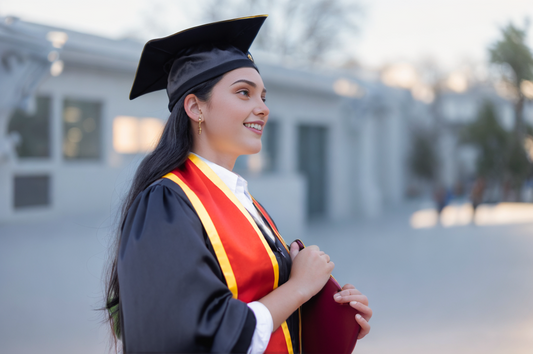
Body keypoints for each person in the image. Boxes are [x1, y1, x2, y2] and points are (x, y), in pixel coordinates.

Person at [104, 15, 372, 353]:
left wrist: (328, 314)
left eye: (263, 97)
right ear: (195, 107)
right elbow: (194, 334)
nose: (262, 109)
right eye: (244, 93)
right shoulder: (167, 204)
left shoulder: (244, 203)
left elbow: (260, 311)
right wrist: (299, 287)